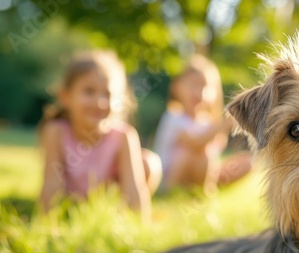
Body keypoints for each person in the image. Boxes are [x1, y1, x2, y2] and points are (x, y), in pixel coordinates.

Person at [39, 50, 162, 221]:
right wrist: (47, 223)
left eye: (108, 94)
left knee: (148, 162)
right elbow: (51, 183)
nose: (100, 102)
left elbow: (133, 188)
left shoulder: (123, 135)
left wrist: (140, 226)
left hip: (109, 206)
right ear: (66, 96)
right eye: (89, 91)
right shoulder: (56, 132)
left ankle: (118, 216)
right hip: (71, 206)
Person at [153, 55, 251, 194]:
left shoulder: (207, 122)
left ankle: (205, 188)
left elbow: (217, 148)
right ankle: (175, 190)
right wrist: (223, 125)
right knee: (196, 153)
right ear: (177, 87)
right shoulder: (173, 117)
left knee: (246, 162)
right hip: (172, 175)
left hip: (201, 172)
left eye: (205, 87)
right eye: (193, 85)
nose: (198, 92)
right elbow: (195, 144)